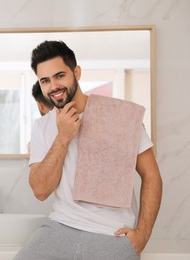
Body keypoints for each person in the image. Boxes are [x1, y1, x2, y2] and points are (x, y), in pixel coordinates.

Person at [14, 40, 162, 260]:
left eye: (60, 76)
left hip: (112, 233)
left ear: (77, 72)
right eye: (45, 80)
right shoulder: (41, 127)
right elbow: (41, 191)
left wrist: (143, 234)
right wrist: (63, 138)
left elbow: (151, 176)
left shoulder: (122, 116)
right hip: (59, 228)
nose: (53, 86)